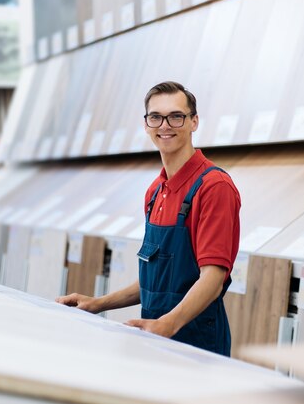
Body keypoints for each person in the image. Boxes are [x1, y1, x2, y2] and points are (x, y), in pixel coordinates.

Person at [57, 81, 241, 356]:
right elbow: (155, 283)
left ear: (194, 122)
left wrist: (167, 325)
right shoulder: (155, 192)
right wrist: (97, 303)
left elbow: (212, 280)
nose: (165, 125)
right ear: (146, 125)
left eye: (176, 116)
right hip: (154, 337)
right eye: (155, 117)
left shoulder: (214, 187)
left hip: (197, 347)